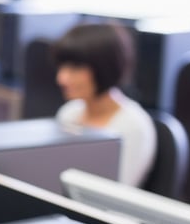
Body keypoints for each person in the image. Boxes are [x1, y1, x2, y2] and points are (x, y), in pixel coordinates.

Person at [52, 23, 157, 187]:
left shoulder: (133, 126)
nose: (62, 78)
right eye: (62, 67)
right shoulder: (68, 114)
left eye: (75, 68)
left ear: (103, 68)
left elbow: (117, 193)